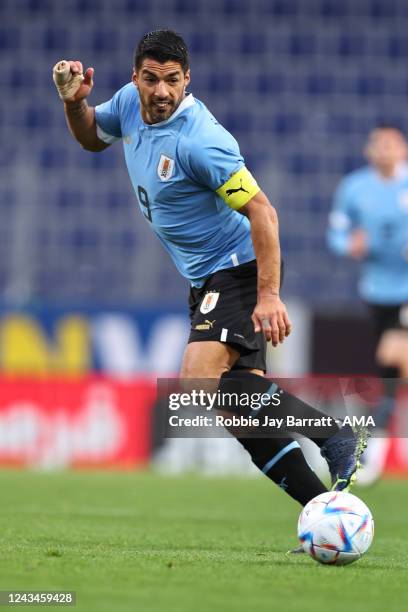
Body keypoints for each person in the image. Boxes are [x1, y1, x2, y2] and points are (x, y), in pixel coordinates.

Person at [54, 29, 366, 521]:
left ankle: (334, 433)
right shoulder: (129, 104)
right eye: (152, 79)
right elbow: (94, 137)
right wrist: (74, 104)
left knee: (199, 384)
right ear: (135, 77)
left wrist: (268, 296)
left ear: (187, 79)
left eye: (172, 81)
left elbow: (263, 213)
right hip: (205, 280)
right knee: (242, 413)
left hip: (237, 269)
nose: (161, 92)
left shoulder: (202, 141)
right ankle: (328, 512)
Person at [327, 124, 408, 484]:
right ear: (369, 151)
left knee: (393, 357)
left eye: (392, 144)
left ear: (402, 149)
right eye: (379, 144)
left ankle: (372, 453)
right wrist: (350, 245)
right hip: (377, 291)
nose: (386, 150)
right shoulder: (354, 188)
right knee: (390, 373)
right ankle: (373, 452)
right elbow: (336, 234)